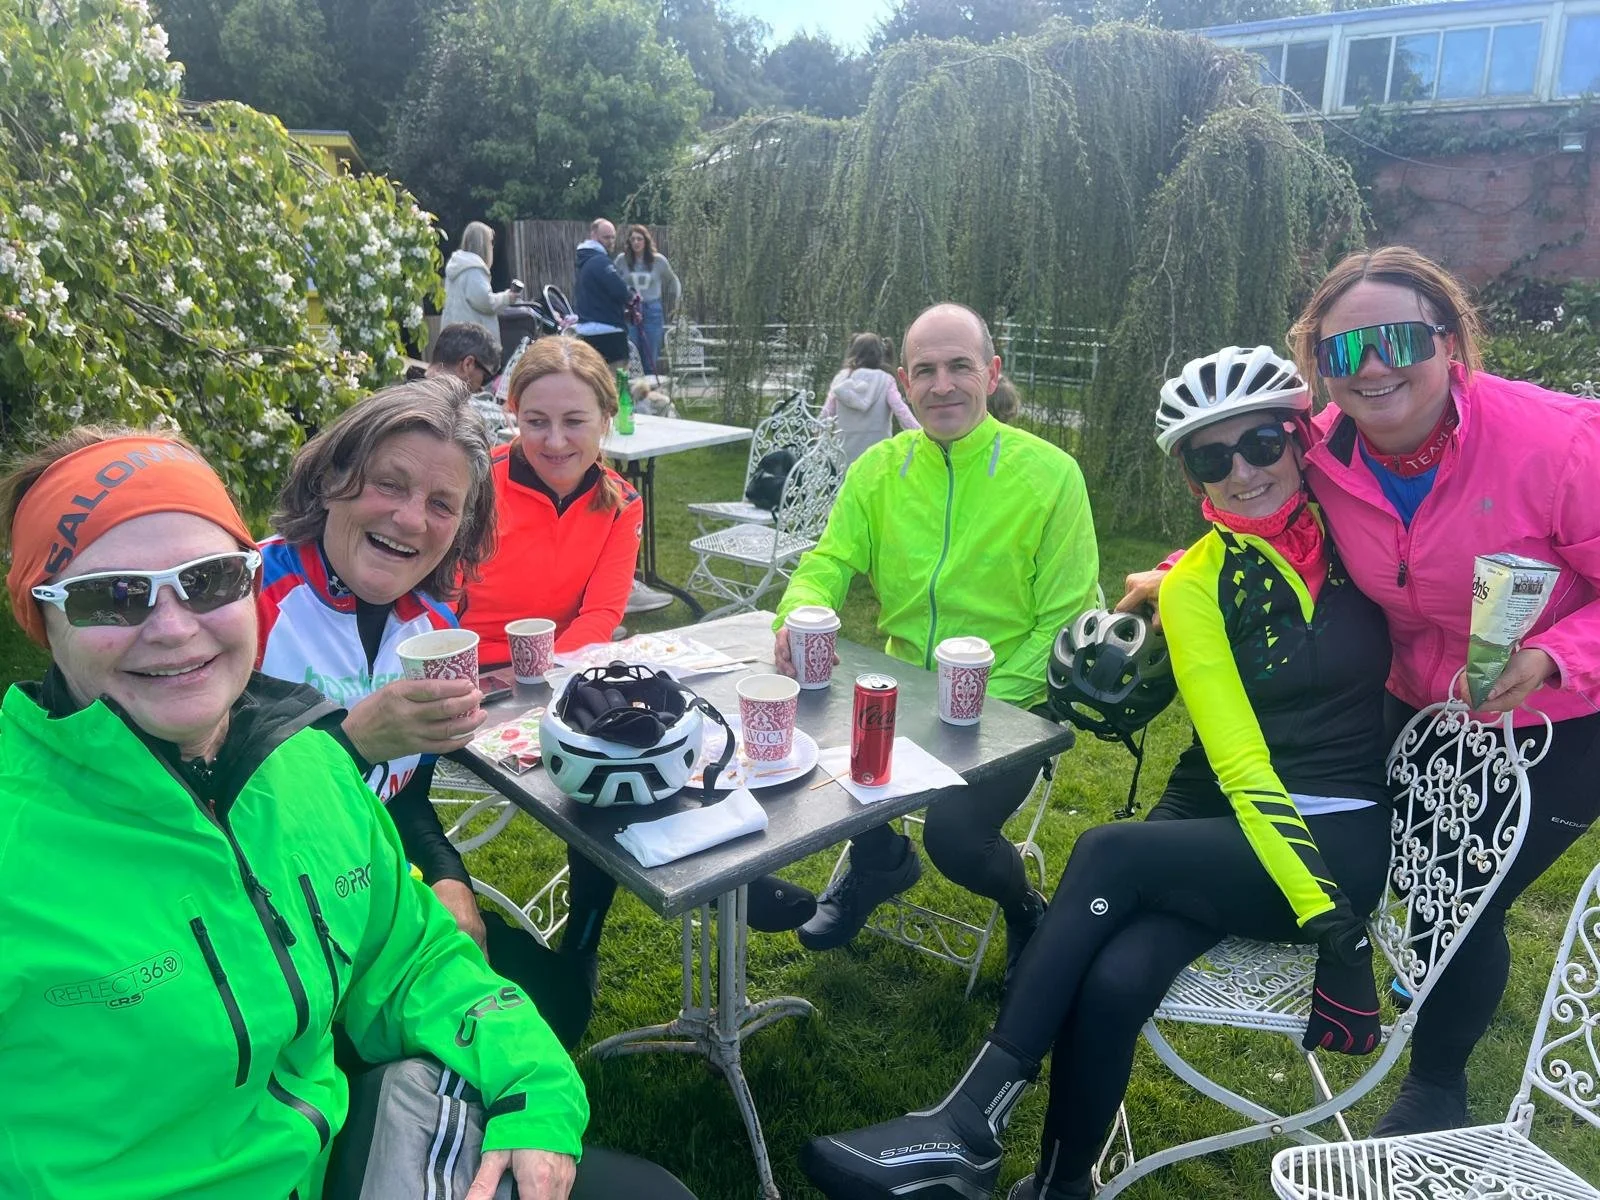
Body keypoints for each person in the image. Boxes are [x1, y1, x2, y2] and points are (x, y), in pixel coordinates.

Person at [802, 345, 1394, 1200]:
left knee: (1111, 856)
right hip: (1244, 832)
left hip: (1336, 845)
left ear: (1301, 439)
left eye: (1262, 443)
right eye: (1211, 456)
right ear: (1192, 474)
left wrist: (1335, 927)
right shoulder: (1193, 585)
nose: (1243, 471)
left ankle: (969, 1125)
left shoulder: (1365, 540)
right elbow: (1238, 761)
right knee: (1114, 980)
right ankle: (1059, 1183)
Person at [0, 425, 589, 1199]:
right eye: (114, 594)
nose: (174, 628)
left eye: (209, 580)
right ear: (43, 618)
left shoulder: (306, 761)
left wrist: (538, 1087)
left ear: (249, 586)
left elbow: (413, 961)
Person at [1118, 246, 1600, 1139]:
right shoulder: (1323, 450)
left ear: (1449, 342)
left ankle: (1437, 1086)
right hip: (1409, 692)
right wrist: (1182, 576)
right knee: (1399, 870)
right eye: (1344, 352)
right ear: (1319, 372)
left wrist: (1558, 659)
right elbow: (1271, 521)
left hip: (1555, 720)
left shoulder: (1560, 441)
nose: (1374, 367)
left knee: (1464, 897)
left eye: (1399, 340)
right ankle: (1332, 944)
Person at [256, 377, 591, 1048]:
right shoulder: (245, 603)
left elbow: (404, 798)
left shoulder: (429, 629)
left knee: (552, 1003)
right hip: (266, 924)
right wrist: (352, 742)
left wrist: (449, 882)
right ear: (331, 480)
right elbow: (206, 801)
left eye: (442, 503)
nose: (412, 520)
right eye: (389, 484)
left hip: (376, 897)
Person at [773, 302, 1099, 971]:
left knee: (956, 838)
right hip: (903, 691)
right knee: (803, 751)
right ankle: (880, 858)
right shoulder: (879, 470)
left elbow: (1063, 620)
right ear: (904, 379)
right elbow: (830, 561)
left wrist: (970, 711)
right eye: (926, 370)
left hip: (1013, 697)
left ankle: (1024, 907)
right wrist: (797, 616)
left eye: (960, 366)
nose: (942, 385)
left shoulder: (1051, 473)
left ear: (992, 371)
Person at [455, 336, 642, 980]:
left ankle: (582, 942)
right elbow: (433, 596)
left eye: (574, 421)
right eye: (536, 421)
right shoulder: (474, 486)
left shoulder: (619, 502)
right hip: (458, 684)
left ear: (605, 420)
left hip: (553, 676)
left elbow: (601, 617)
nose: (555, 441)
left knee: (622, 745)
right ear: (512, 413)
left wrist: (534, 671)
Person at [820, 332, 921, 464]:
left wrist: (817, 438)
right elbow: (901, 412)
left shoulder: (841, 379)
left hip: (842, 457)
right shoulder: (885, 380)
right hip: (878, 456)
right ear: (879, 354)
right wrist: (921, 434)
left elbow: (825, 415)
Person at [613, 224, 680, 375]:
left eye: (639, 239)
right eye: (633, 239)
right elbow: (613, 283)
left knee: (651, 355)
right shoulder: (622, 260)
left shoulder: (658, 261)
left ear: (646, 241)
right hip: (630, 311)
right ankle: (631, 393)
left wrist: (677, 302)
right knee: (631, 352)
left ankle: (649, 394)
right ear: (629, 242)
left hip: (652, 309)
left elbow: (673, 280)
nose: (636, 242)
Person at [442, 220, 520, 340]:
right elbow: (485, 302)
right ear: (484, 244)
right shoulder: (473, 270)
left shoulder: (457, 266)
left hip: (453, 336)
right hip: (471, 340)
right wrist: (507, 298)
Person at [572, 218, 631, 368]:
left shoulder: (585, 262)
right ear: (593, 235)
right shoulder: (600, 262)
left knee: (592, 384)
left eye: (613, 237)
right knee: (615, 384)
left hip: (586, 333)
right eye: (606, 237)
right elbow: (621, 291)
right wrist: (633, 295)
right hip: (608, 333)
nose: (611, 241)